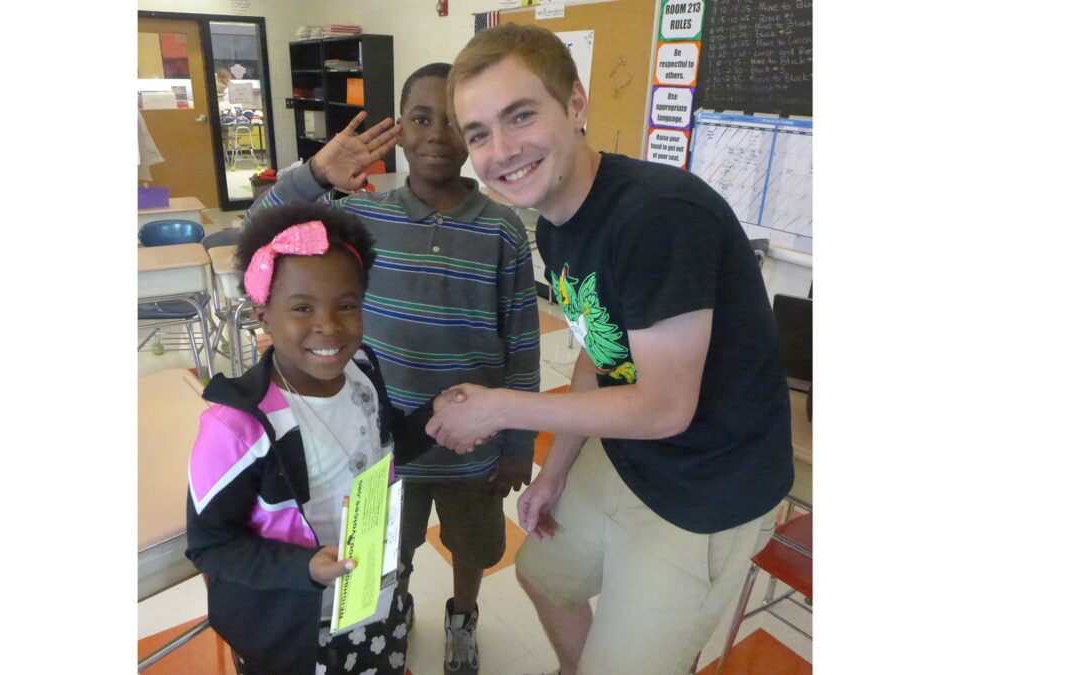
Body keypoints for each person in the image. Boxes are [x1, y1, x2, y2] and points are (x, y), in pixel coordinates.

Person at [427, 24, 796, 675]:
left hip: (708, 488)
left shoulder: (657, 218)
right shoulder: (561, 219)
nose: (502, 150)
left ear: (575, 105)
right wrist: (556, 469)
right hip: (633, 458)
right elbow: (600, 347)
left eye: (520, 115)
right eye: (479, 133)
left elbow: (662, 408)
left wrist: (501, 410)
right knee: (544, 574)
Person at [247, 62, 541, 675]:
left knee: (474, 546)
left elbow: (522, 344)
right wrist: (315, 175)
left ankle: (464, 615)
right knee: (386, 553)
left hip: (474, 443)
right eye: (420, 119)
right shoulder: (363, 215)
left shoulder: (503, 230)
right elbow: (257, 237)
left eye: (454, 122)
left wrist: (518, 443)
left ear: (474, 134)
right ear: (400, 132)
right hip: (379, 445)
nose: (436, 134)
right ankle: (392, 612)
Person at [185, 201, 457, 675]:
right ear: (263, 315)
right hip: (292, 625)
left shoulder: (363, 371)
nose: (328, 326)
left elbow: (378, 450)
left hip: (372, 594)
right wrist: (304, 568)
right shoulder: (238, 427)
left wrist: (437, 417)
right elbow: (211, 546)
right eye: (302, 308)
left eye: (346, 306)